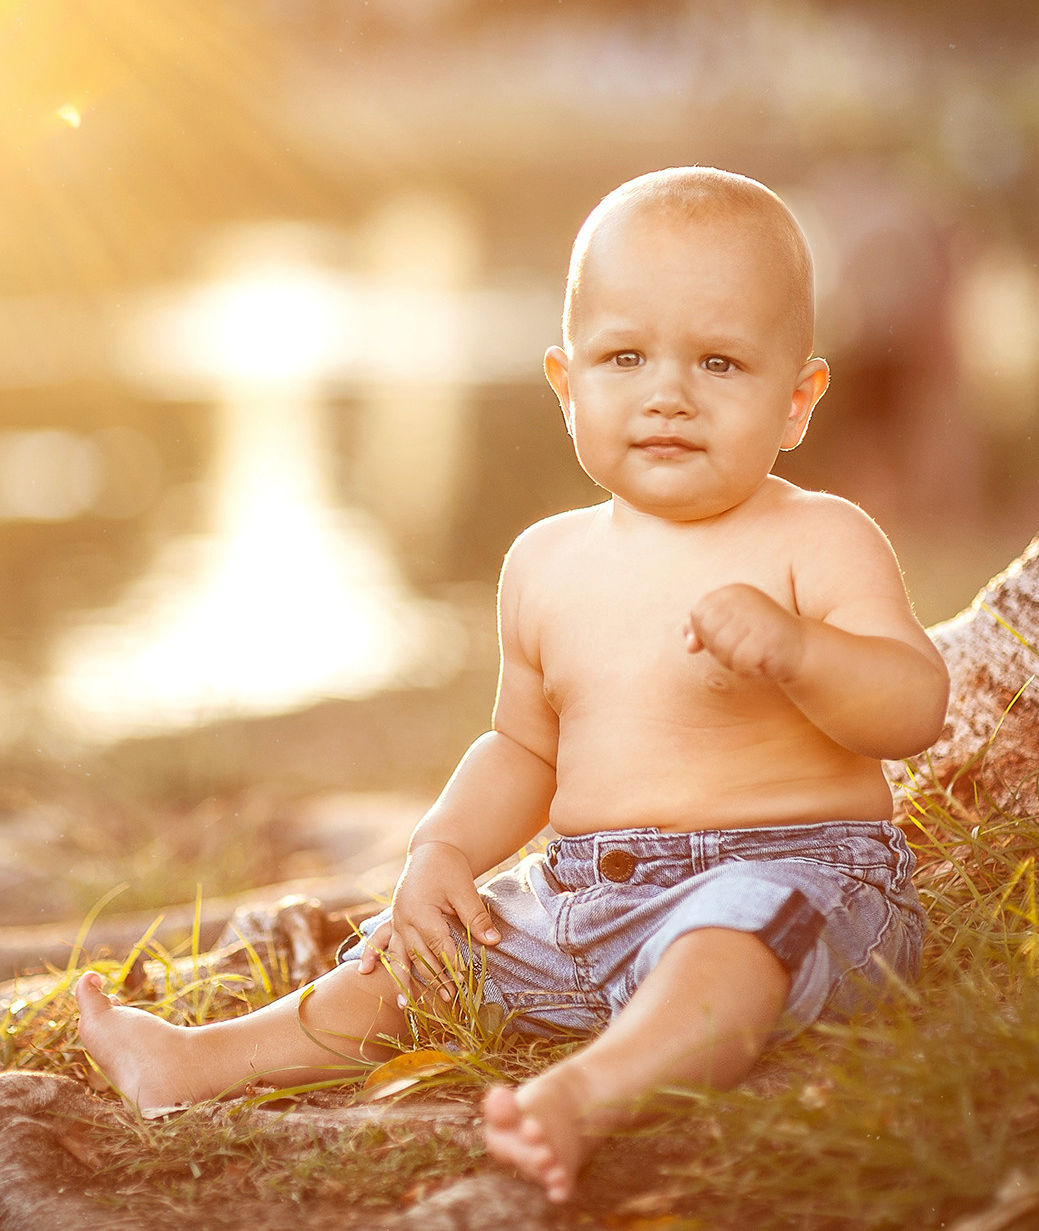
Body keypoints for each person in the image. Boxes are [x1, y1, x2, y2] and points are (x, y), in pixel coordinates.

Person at [74, 167, 950, 1203]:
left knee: (727, 942)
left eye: (718, 361)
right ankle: (196, 1060)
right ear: (566, 383)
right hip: (581, 894)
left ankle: (590, 1092)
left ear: (796, 400)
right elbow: (524, 749)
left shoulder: (818, 538)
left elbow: (913, 706)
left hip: (794, 879)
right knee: (413, 957)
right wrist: (442, 848)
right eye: (625, 357)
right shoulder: (543, 563)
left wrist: (803, 652)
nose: (668, 393)